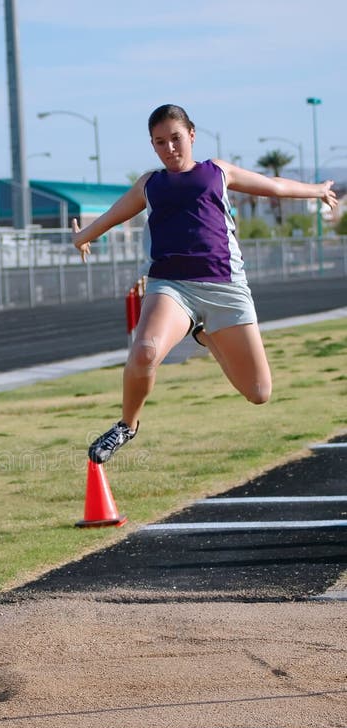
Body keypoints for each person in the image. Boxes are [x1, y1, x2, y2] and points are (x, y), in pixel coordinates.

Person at [72, 103, 338, 464]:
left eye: (176, 139)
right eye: (160, 142)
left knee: (259, 392)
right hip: (171, 286)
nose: (170, 149)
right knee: (145, 351)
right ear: (152, 145)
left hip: (226, 288)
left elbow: (274, 186)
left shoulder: (218, 171)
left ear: (192, 135)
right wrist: (83, 236)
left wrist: (317, 190)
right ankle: (126, 425)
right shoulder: (150, 184)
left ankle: (203, 334)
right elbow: (112, 215)